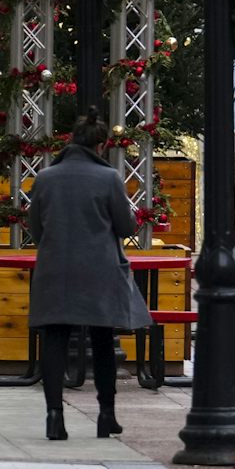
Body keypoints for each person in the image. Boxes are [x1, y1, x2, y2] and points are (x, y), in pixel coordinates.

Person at [28, 113, 152, 441]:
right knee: (102, 341)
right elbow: (126, 227)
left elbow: (35, 229)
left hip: (55, 269)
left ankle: (54, 416)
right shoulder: (109, 178)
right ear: (100, 144)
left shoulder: (45, 177)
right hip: (100, 271)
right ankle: (105, 415)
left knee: (54, 338)